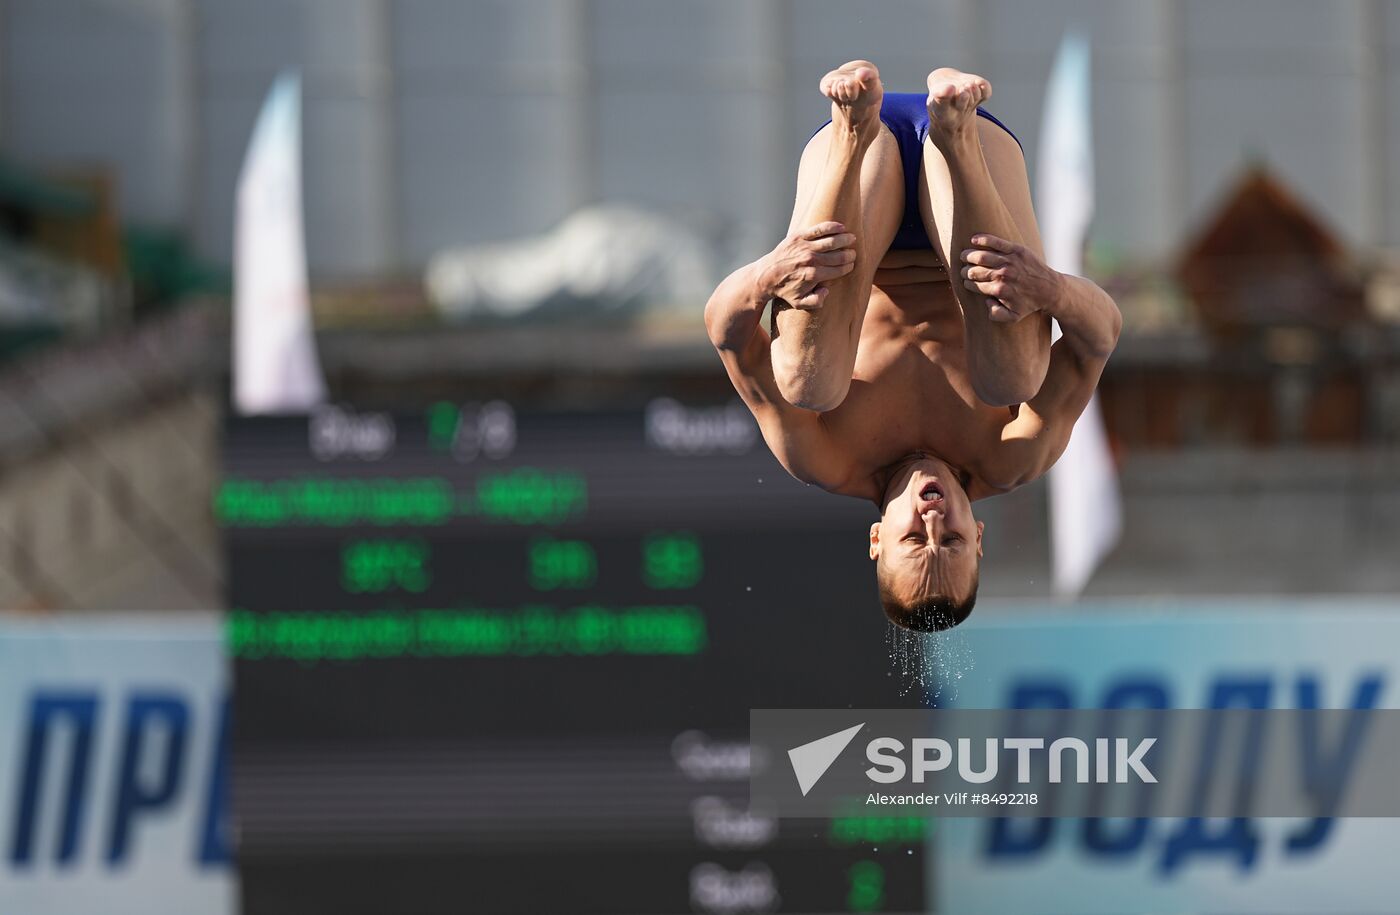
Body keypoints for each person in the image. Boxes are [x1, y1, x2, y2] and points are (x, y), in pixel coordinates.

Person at [705, 61, 1121, 631]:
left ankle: (850, 129)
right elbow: (1100, 337)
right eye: (950, 538)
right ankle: (952, 131)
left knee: (807, 384)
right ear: (978, 536)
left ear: (877, 538)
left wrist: (767, 275)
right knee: (1015, 381)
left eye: (912, 537)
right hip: (970, 176)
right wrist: (1050, 288)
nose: (932, 517)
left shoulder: (826, 457)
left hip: (857, 179)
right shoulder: (1011, 452)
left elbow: (726, 333)